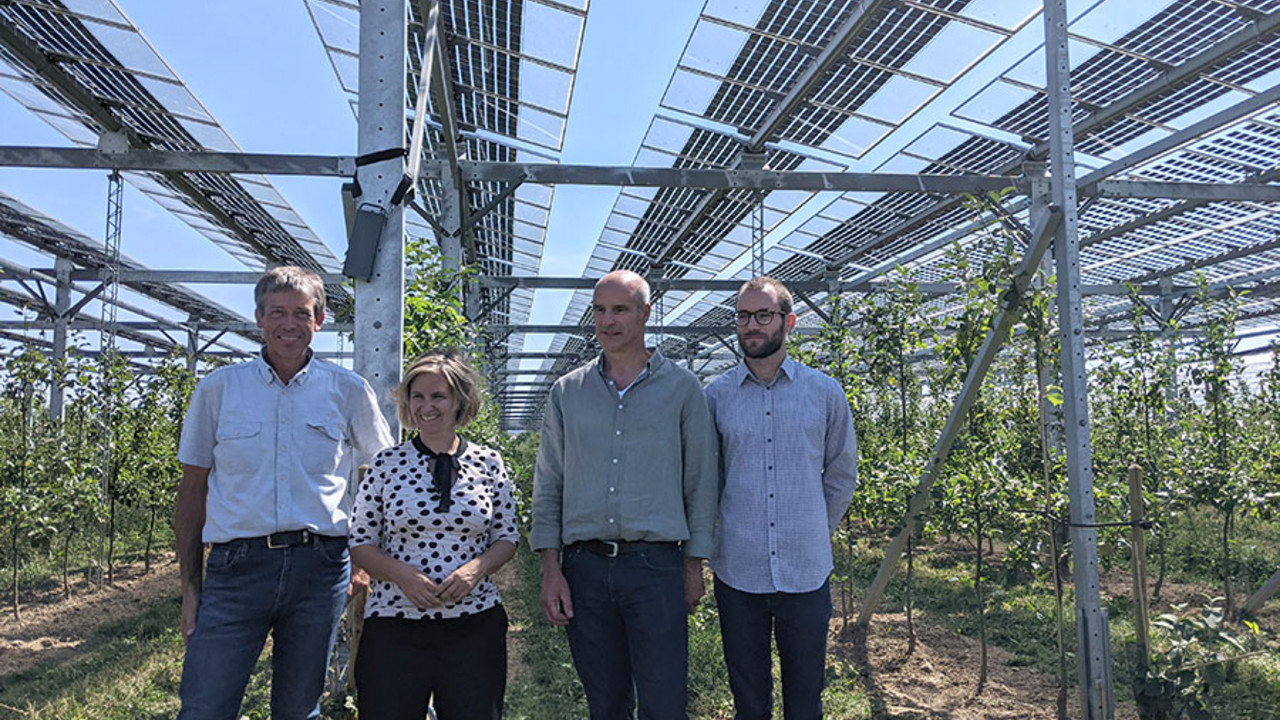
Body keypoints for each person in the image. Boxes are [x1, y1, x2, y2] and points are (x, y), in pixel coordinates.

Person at [175, 265, 394, 720]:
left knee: (298, 708)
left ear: (319, 319)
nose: (289, 324)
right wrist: (191, 586)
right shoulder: (219, 389)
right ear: (258, 318)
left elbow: (382, 476)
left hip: (320, 568)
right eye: (277, 312)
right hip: (237, 568)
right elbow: (192, 491)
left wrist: (362, 561)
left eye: (301, 313)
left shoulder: (348, 391)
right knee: (205, 705)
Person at [531, 269, 719, 720]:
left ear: (645, 313)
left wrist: (694, 566)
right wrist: (551, 569)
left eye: (620, 309)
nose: (608, 321)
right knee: (606, 702)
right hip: (584, 569)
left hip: (655, 568)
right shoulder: (568, 393)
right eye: (599, 310)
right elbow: (549, 481)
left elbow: (701, 481)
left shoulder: (681, 389)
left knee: (663, 700)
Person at [704, 277, 858, 720]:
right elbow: (706, 479)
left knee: (806, 698)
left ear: (788, 322)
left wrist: (811, 529)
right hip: (739, 571)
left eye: (763, 315)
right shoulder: (716, 397)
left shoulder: (824, 393)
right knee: (748, 699)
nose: (751, 325)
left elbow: (841, 474)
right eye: (743, 316)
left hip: (806, 574)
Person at [349, 351, 518, 720]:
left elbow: (507, 536)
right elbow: (361, 541)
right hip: (396, 623)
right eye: (418, 396)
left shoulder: (488, 463)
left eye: (438, 396)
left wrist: (476, 569)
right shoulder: (386, 464)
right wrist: (400, 574)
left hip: (473, 624)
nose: (427, 406)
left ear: (460, 400)